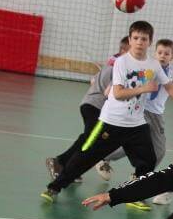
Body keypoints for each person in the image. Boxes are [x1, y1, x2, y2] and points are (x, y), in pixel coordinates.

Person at [40, 20, 173, 204]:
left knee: (148, 161)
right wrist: (144, 88)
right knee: (84, 156)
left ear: (150, 42)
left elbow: (169, 86)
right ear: (130, 40)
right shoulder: (122, 63)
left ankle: (134, 196)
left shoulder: (153, 65)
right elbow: (118, 93)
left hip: (136, 125)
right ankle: (54, 187)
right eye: (136, 38)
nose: (139, 42)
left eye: (144, 39)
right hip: (110, 122)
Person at [97, 38, 173, 205]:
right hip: (140, 110)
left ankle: (123, 168)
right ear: (154, 53)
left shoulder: (172, 73)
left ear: (172, 56)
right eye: (160, 52)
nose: (162, 56)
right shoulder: (148, 68)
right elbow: (130, 80)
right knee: (141, 145)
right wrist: (113, 86)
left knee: (153, 150)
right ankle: (136, 177)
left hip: (156, 115)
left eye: (167, 53)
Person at [45, 35, 128, 186]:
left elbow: (93, 80)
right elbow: (109, 92)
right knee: (91, 139)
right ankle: (59, 162)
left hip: (89, 104)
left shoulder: (112, 64)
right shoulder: (120, 68)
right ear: (123, 51)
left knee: (90, 138)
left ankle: (70, 167)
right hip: (95, 106)